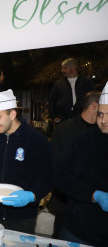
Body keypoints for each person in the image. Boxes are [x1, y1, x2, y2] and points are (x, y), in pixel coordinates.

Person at [0, 90, 53, 234]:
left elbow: (47, 176)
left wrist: (33, 195)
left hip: (23, 215)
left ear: (12, 114)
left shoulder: (36, 140)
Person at [54, 83, 108, 247]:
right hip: (78, 232)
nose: (104, 120)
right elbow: (60, 177)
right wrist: (94, 195)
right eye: (100, 114)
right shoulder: (81, 141)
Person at [48, 91, 100, 238]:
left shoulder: (101, 133)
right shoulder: (64, 130)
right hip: (65, 203)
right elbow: (55, 167)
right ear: (95, 106)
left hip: (94, 209)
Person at [48, 58, 94, 124]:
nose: (62, 71)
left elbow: (93, 99)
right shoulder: (58, 84)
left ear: (73, 68)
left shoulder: (86, 82)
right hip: (64, 121)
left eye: (65, 68)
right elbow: (51, 100)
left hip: (82, 120)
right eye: (62, 68)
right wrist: (54, 116)